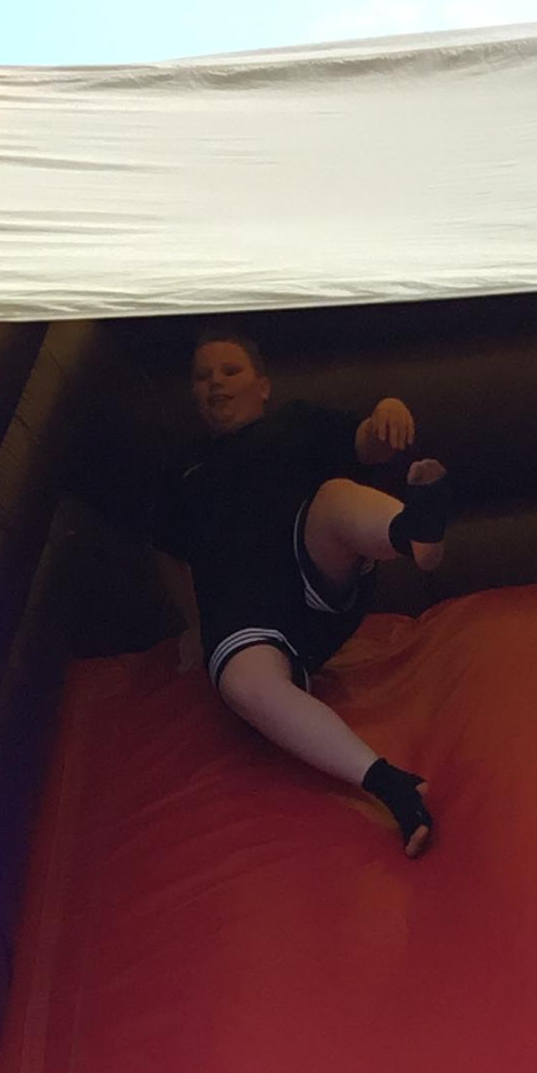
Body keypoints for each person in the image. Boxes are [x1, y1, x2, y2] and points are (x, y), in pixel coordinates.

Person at [154, 330, 452, 856]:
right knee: (240, 684)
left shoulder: (295, 423)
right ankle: (390, 784)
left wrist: (387, 411)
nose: (216, 383)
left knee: (335, 497)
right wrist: (195, 626)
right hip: (248, 620)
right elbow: (166, 550)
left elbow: (367, 442)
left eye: (230, 371)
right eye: (203, 377)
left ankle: (413, 533)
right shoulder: (186, 471)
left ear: (263, 385)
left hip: (314, 572)